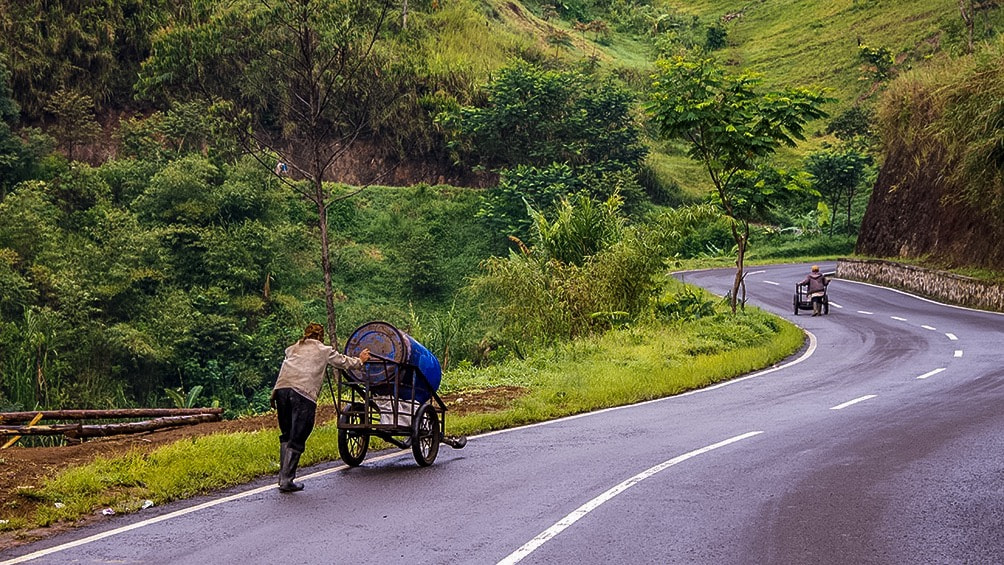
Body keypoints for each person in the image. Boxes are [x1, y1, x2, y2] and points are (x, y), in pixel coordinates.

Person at [270, 323, 370, 492]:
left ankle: (283, 477)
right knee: (299, 433)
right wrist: (360, 360)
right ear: (320, 337)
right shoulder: (323, 350)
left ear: (306, 335)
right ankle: (287, 480)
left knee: (287, 434)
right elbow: (342, 361)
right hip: (302, 392)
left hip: (281, 390)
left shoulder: (292, 349)